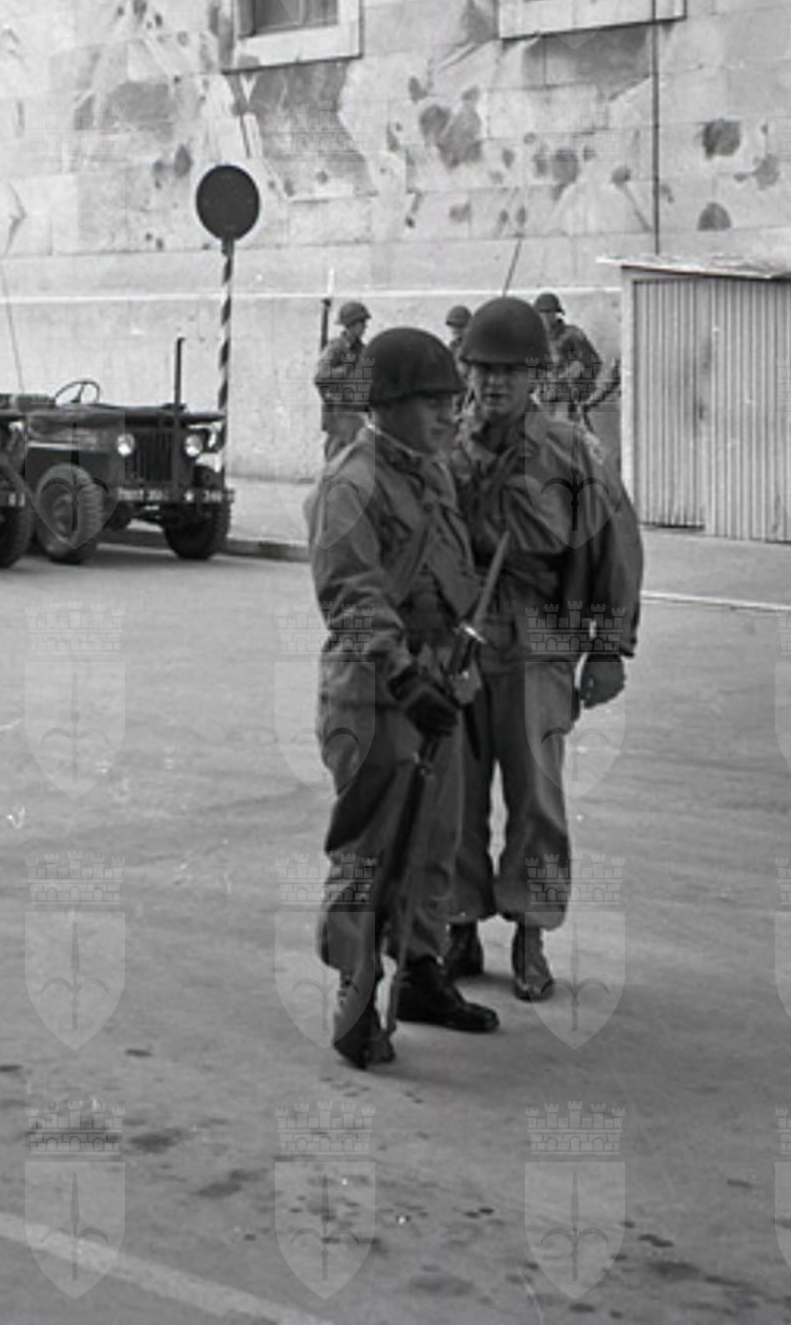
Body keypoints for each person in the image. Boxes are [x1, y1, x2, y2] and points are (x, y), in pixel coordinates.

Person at [306, 325, 501, 1069]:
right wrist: (401, 674)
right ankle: (356, 995)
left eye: (453, 400)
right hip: (375, 696)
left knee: (433, 841)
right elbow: (349, 597)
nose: (451, 413)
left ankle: (420, 970)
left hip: (437, 682)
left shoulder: (433, 471)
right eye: (432, 402)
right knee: (368, 851)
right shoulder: (351, 484)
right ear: (386, 405)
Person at [445, 297, 643, 1002]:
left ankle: (531, 930)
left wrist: (608, 649)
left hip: (540, 634)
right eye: (481, 368)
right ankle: (458, 923)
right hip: (462, 636)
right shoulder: (445, 447)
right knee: (454, 792)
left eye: (509, 370)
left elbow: (613, 547)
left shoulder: (570, 452)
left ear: (536, 375)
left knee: (537, 796)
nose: (493, 382)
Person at [533, 292, 605, 426]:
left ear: (556, 313)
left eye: (549, 313)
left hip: (568, 397)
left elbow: (593, 361)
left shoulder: (572, 334)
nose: (545, 317)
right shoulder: (535, 338)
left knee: (564, 432)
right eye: (541, 313)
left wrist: (578, 370)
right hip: (545, 397)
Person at [314, 300, 371, 463]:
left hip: (357, 413)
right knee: (336, 462)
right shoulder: (336, 348)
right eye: (362, 323)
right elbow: (320, 377)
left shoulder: (363, 350)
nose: (365, 327)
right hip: (338, 412)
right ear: (351, 325)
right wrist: (344, 370)